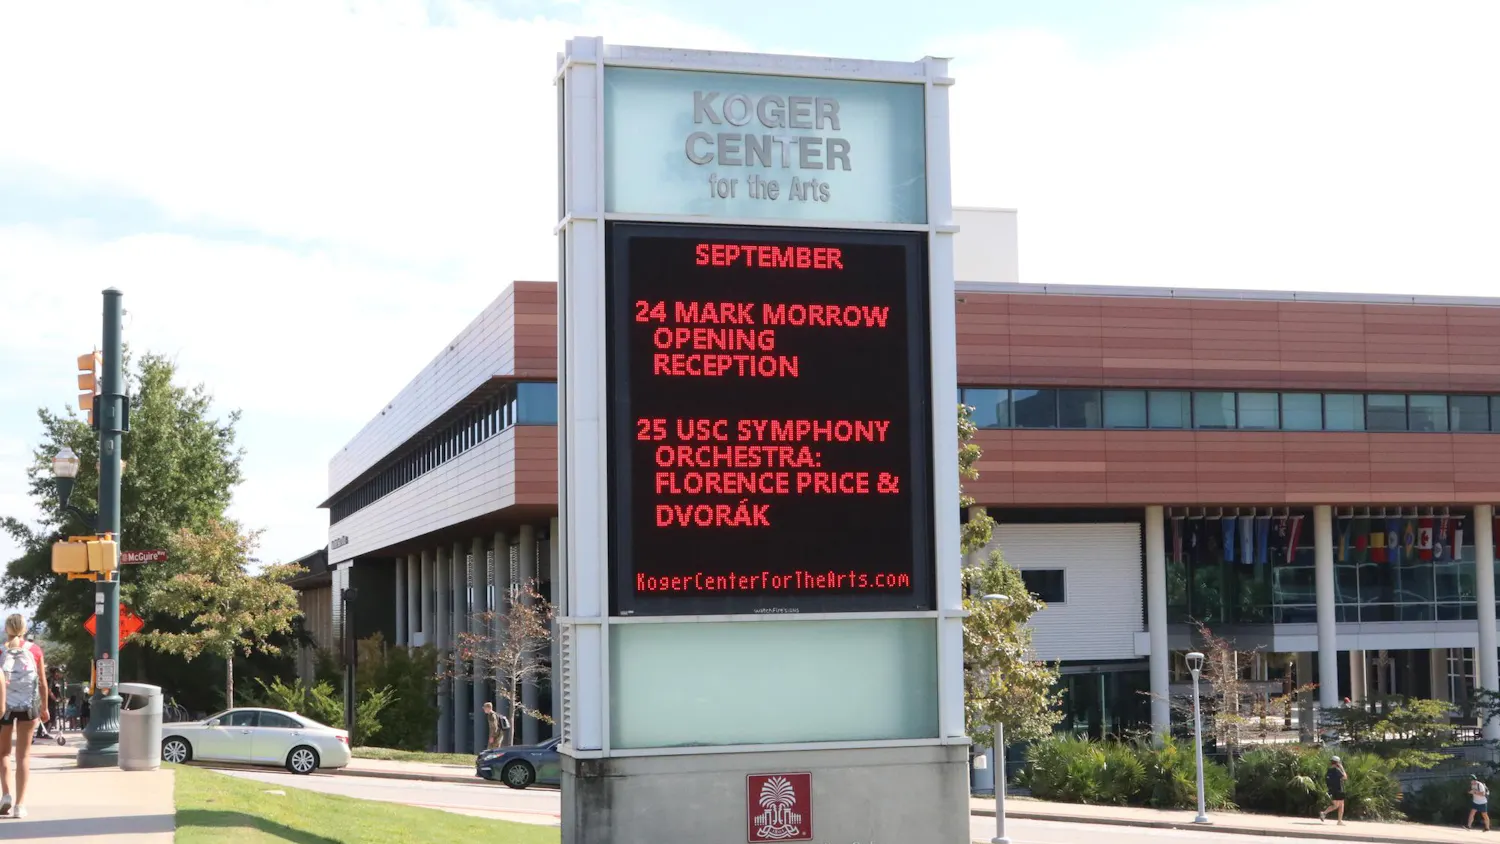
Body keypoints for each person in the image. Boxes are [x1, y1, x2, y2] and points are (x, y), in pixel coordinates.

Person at [0, 614, 48, 819]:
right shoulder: (35, 650)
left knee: (3, 753)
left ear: (6, 629)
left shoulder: (2, 650)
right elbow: (43, 683)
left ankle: (6, 795)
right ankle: (20, 805)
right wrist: (45, 707)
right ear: (25, 629)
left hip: (3, 707)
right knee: (23, 756)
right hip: (29, 707)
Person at [1318, 756, 1348, 825]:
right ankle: (1324, 813)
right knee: (1336, 805)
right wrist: (1342, 768)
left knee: (1341, 805)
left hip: (1332, 790)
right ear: (1338, 763)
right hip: (1339, 789)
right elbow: (1345, 777)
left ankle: (1339, 821)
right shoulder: (1337, 770)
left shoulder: (1329, 770)